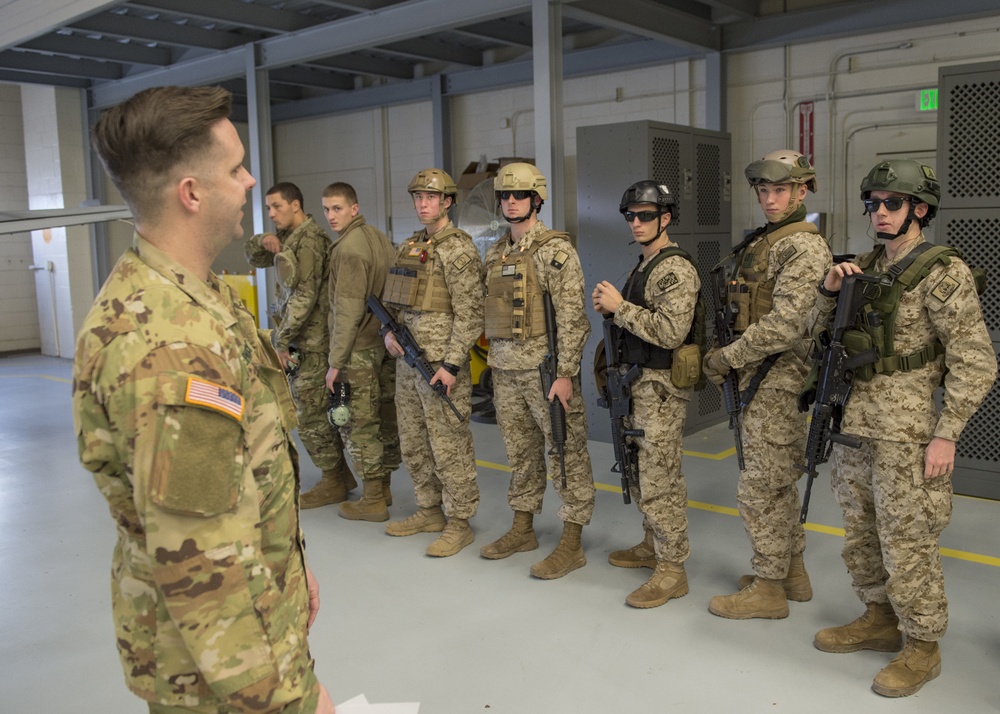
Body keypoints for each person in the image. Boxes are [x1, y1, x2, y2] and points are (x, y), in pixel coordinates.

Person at [72, 85, 334, 713]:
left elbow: (239, 488)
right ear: (191, 193)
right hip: (218, 678)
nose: (249, 183)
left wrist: (291, 572)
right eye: (237, 169)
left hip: (246, 626)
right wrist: (293, 699)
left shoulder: (198, 295)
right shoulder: (167, 347)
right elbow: (203, 565)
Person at [810, 160, 995, 697]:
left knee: (908, 542)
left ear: (920, 209)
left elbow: (976, 361)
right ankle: (878, 617)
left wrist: (948, 432)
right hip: (854, 423)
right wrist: (828, 290)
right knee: (860, 532)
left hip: (909, 432)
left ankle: (922, 646)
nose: (880, 213)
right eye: (873, 203)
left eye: (893, 203)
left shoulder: (942, 271)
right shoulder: (861, 266)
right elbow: (818, 335)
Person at [702, 150, 832, 619]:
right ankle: (790, 575)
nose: (770, 199)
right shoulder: (768, 240)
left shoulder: (802, 246)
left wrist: (725, 359)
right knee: (776, 483)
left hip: (777, 382)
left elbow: (787, 324)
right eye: (763, 191)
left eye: (780, 190)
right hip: (761, 378)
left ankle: (769, 588)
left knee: (760, 488)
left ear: (802, 191)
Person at [480, 162, 596, 579]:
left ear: (536, 199)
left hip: (545, 373)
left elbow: (572, 319)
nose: (512, 202)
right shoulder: (496, 252)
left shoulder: (555, 251)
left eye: (520, 196)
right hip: (504, 370)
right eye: (506, 196)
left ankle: (571, 542)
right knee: (520, 453)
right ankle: (523, 528)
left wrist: (565, 374)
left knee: (565, 452)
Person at [592, 181, 701, 608]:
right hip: (637, 385)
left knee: (660, 479)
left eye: (646, 216)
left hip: (659, 389)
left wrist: (620, 307)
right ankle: (653, 544)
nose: (637, 223)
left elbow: (672, 332)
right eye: (631, 216)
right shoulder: (646, 264)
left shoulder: (673, 269)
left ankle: (673, 569)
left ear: (665, 218)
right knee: (638, 470)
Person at [381, 168, 484, 557]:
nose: (423, 204)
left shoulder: (459, 249)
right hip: (407, 364)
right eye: (418, 197)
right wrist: (388, 333)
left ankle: (459, 522)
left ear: (447, 202)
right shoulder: (408, 246)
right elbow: (393, 302)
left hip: (440, 366)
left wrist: (453, 365)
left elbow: (471, 314)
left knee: (450, 445)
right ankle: (429, 510)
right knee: (413, 441)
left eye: (430, 197)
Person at [245, 182, 356, 508]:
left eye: (276, 206)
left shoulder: (308, 241)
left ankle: (333, 480)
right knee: (311, 413)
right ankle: (339, 475)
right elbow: (253, 255)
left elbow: (304, 298)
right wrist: (263, 240)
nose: (272, 213)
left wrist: (280, 341)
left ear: (296, 205)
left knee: (310, 416)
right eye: (268, 209)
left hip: (312, 342)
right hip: (302, 341)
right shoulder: (289, 239)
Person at [322, 182, 399, 522]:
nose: (330, 216)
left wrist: (335, 362)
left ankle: (371, 500)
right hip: (382, 344)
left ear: (354, 208)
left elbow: (348, 310)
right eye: (326, 209)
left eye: (337, 208)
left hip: (359, 348)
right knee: (382, 419)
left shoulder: (348, 249)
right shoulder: (378, 238)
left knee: (360, 424)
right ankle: (382, 489)